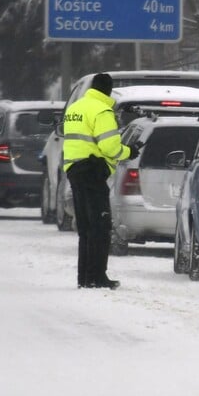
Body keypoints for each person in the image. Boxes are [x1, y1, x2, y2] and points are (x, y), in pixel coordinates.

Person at [63, 72, 140, 290]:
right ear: (108, 90)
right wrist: (129, 151)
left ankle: (84, 277)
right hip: (92, 172)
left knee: (86, 228)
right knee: (100, 226)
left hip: (74, 170)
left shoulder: (76, 108)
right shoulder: (102, 110)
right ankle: (97, 277)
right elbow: (110, 148)